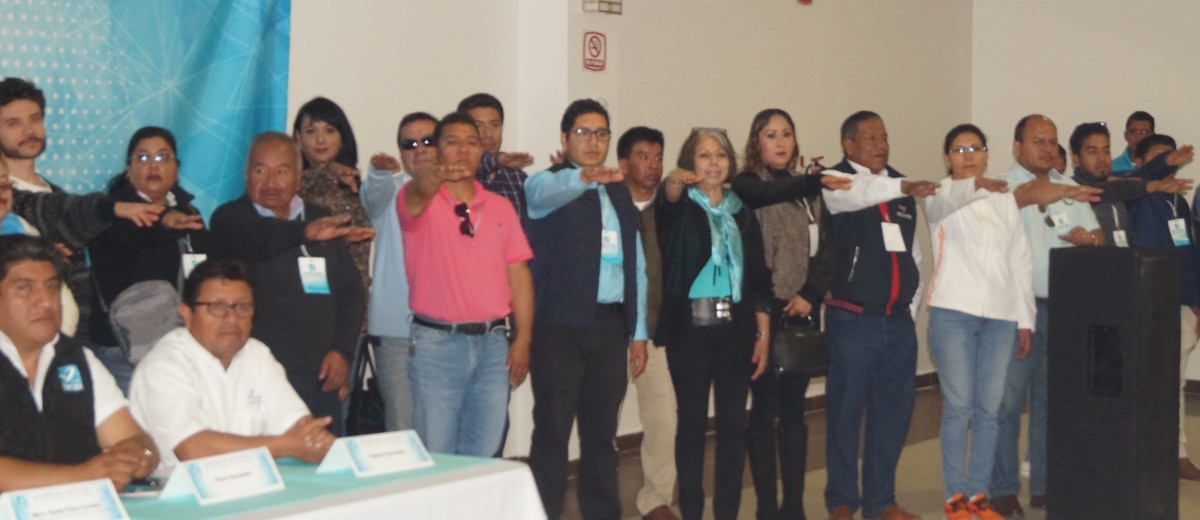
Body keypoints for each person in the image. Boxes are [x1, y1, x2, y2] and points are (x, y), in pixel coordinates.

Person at [524, 99, 648, 520]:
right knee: (552, 434)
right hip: (557, 328)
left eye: (601, 133)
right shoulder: (546, 183)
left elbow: (636, 263)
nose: (593, 141)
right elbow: (543, 196)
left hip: (610, 326)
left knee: (601, 436)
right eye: (582, 132)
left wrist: (638, 332)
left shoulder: (618, 190)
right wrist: (582, 177)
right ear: (564, 138)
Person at [387, 112, 533, 456]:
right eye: (452, 142)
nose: (463, 150)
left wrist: (523, 340)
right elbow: (421, 185)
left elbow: (519, 276)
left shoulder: (500, 207)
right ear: (436, 150)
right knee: (436, 454)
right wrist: (437, 173)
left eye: (471, 142)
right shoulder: (416, 199)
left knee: (483, 453)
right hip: (436, 344)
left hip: (494, 345)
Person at [819, 111, 938, 520]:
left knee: (892, 416)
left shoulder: (901, 188)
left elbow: (913, 255)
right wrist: (902, 186)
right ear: (848, 144)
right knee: (844, 415)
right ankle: (841, 501)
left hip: (897, 323)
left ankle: (881, 501)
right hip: (852, 321)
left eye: (884, 136)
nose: (881, 144)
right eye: (870, 137)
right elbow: (860, 193)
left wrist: (909, 307)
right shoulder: (835, 181)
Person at [210, 132, 368, 436]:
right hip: (251, 379)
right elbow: (261, 236)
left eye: (282, 171)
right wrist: (304, 232)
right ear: (246, 176)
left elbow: (350, 293)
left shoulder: (321, 218)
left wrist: (342, 351)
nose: (270, 182)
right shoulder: (230, 220)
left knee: (324, 462)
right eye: (260, 170)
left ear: (298, 178)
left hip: (319, 378)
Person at [730, 109, 846, 520]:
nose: (780, 142)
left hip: (803, 307)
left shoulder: (808, 191)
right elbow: (762, 204)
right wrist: (814, 180)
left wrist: (811, 293)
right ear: (756, 143)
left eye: (786, 134)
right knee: (763, 409)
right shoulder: (748, 184)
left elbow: (829, 246)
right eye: (770, 135)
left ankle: (793, 507)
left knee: (795, 412)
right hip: (762, 310)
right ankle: (766, 508)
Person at [989, 115, 1105, 518]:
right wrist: (1065, 190)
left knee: (1051, 401)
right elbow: (1030, 194)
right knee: (1007, 403)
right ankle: (1002, 488)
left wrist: (1088, 239)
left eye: (1052, 142)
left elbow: (1098, 234)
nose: (1047, 148)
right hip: (1015, 311)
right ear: (1017, 146)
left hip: (1063, 308)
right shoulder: (1002, 184)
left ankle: (1043, 484)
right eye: (1038, 141)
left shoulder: (1068, 188)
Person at [657, 128, 772, 520]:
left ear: (730, 163)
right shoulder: (681, 207)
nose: (713, 162)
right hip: (689, 331)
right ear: (690, 163)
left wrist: (762, 334)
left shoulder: (742, 211)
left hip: (736, 331)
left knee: (732, 427)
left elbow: (759, 278)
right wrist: (675, 181)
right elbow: (668, 197)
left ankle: (727, 512)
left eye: (720, 154)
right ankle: (691, 511)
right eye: (704, 155)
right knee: (691, 425)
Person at [0, 77, 165, 343]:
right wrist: (113, 207)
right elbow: (63, 211)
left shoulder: (55, 192)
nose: (29, 130)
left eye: (35, 119)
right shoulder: (11, 202)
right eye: (13, 123)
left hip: (80, 339)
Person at [922, 124, 1031, 520]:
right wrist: (977, 185)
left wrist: (1025, 320)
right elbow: (947, 200)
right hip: (953, 313)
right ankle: (955, 493)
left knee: (990, 409)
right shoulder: (939, 194)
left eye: (975, 148)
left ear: (987, 153)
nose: (968, 156)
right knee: (959, 407)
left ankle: (979, 495)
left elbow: (1019, 261)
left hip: (1000, 318)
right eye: (959, 149)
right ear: (947, 157)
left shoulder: (1004, 199)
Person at [129, 259, 334, 469]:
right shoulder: (164, 365)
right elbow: (193, 450)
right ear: (187, 314)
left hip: (250, 477)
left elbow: (298, 425)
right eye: (217, 307)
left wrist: (314, 438)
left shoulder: (256, 354)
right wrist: (287, 445)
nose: (232, 318)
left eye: (242, 307)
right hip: (175, 485)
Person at [0, 235, 158, 492]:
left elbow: (135, 439)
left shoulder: (76, 358)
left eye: (52, 287)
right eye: (25, 288)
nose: (45, 301)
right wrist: (82, 475)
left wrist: (137, 457)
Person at [86, 126, 210, 394]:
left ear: (176, 168)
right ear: (128, 169)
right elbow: (132, 236)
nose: (153, 165)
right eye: (143, 158)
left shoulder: (189, 213)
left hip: (179, 347)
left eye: (162, 157)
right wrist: (164, 220)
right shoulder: (111, 214)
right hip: (121, 349)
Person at [1127, 134, 1200, 480]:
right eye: (1159, 159)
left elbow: (1190, 257)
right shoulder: (1136, 199)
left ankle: (1176, 453)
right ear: (1141, 164)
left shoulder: (1180, 204)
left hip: (1178, 303)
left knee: (1174, 384)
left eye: (1172, 158)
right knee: (1142, 384)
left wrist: (1196, 302)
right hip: (1143, 305)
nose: (1168, 165)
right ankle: (1141, 455)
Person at [618, 126, 679, 520]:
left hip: (655, 332)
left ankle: (656, 499)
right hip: (609, 331)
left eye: (658, 157)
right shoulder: (606, 205)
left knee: (663, 417)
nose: (653, 165)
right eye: (643, 156)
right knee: (598, 422)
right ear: (624, 163)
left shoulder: (670, 212)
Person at [360, 112, 431, 432]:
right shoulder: (391, 192)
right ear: (400, 153)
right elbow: (373, 196)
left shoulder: (459, 196)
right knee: (402, 427)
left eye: (428, 141)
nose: (420, 149)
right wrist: (378, 171)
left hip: (446, 334)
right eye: (410, 144)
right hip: (395, 333)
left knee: (440, 429)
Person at [292, 97, 375, 289]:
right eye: (311, 131)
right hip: (308, 291)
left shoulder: (356, 186)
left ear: (342, 137)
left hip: (353, 294)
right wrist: (329, 168)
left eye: (329, 130)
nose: (320, 140)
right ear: (298, 138)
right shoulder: (293, 187)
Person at [1066, 122, 1190, 248]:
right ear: (1076, 159)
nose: (1101, 158)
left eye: (1106, 151)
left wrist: (1165, 163)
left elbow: (1138, 178)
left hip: (1126, 259)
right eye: (1092, 152)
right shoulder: (1069, 192)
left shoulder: (1120, 186)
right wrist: (1153, 185)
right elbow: (1110, 190)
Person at [457, 93, 534, 218]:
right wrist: (498, 159)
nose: (488, 134)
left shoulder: (518, 178)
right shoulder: (456, 176)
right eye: (478, 126)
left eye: (494, 125)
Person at [1111, 111, 1155, 175]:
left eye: (1144, 132)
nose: (1139, 137)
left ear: (1152, 136)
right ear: (1126, 136)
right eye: (1134, 132)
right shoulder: (1111, 168)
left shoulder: (1160, 167)